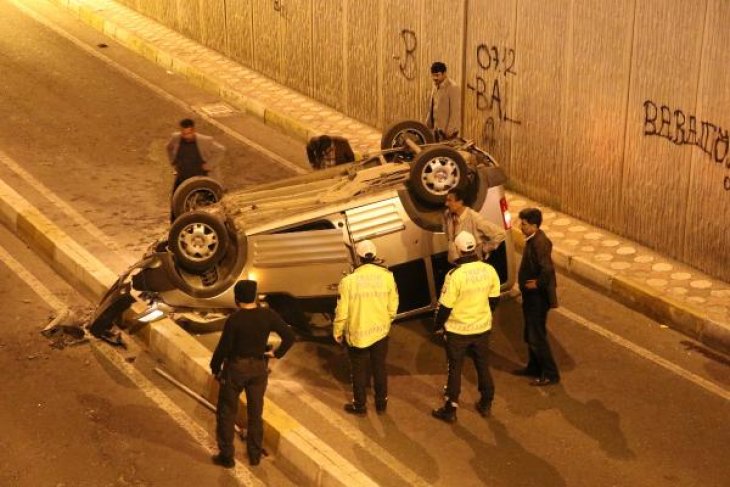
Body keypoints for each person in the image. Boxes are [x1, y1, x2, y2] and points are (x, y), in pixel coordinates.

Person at [210, 280, 296, 468]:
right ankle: (255, 455)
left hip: (236, 368)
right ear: (255, 296)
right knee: (255, 414)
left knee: (227, 412)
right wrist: (276, 354)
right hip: (258, 369)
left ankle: (227, 456)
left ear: (237, 298)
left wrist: (215, 368)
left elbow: (223, 348)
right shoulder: (268, 315)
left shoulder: (235, 320)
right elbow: (290, 336)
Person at [432, 231, 501, 423]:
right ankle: (486, 403)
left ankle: (451, 409)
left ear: (458, 249)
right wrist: (482, 315)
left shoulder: (454, 275)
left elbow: (445, 306)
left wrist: (437, 325)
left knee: (454, 369)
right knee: (482, 366)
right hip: (481, 328)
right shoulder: (489, 270)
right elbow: (494, 300)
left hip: (457, 331)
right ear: (475, 247)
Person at [333, 240, 399, 416]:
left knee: (358, 370)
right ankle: (381, 403)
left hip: (358, 334)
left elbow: (342, 311)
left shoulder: (348, 281)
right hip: (380, 332)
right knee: (379, 367)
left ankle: (360, 405)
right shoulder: (387, 276)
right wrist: (387, 320)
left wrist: (338, 331)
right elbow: (393, 304)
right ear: (375, 255)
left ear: (359, 257)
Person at [513, 207, 560, 386]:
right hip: (531, 297)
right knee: (530, 333)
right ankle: (534, 366)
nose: (521, 226)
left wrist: (537, 283)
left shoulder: (540, 243)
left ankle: (550, 373)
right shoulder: (532, 239)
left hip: (537, 298)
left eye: (523, 224)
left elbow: (547, 268)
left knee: (537, 336)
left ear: (533, 225)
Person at [443, 187, 506, 264]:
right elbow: (448, 234)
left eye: (449, 200)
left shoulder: (474, 218)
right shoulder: (447, 215)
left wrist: (484, 249)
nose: (446, 204)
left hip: (472, 265)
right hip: (456, 264)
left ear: (460, 202)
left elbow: (501, 234)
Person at [166, 118, 226, 198]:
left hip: (200, 176)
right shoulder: (176, 138)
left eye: (188, 133)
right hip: (182, 176)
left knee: (203, 199)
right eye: (183, 134)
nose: (186, 136)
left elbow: (221, 150)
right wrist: (173, 161)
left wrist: (209, 165)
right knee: (176, 198)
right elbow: (169, 147)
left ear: (193, 130)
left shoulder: (205, 141)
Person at [425, 61, 461, 141]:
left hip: (447, 133)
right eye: (433, 75)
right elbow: (432, 107)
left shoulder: (453, 87)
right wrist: (428, 125)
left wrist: (449, 132)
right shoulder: (435, 86)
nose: (435, 78)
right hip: (436, 130)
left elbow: (455, 112)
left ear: (444, 73)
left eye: (437, 75)